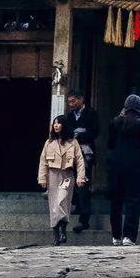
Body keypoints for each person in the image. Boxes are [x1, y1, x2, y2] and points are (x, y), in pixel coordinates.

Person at [106, 94, 140, 245]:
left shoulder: (115, 123)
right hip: (135, 166)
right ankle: (129, 236)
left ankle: (116, 235)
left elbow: (110, 144)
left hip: (116, 165)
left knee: (116, 201)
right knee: (133, 201)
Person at [37, 114, 87, 245]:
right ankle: (56, 235)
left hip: (67, 175)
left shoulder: (72, 142)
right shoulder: (49, 143)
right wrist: (42, 178)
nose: (56, 125)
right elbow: (43, 162)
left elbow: (80, 160)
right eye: (54, 123)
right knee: (53, 205)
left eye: (59, 123)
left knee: (62, 201)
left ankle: (63, 229)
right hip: (52, 175)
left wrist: (80, 177)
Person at [64, 90, 102, 232]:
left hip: (86, 153)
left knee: (83, 183)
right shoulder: (69, 117)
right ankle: (77, 205)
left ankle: (84, 218)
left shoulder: (91, 114)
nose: (71, 104)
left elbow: (94, 132)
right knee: (71, 182)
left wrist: (79, 135)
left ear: (81, 99)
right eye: (69, 102)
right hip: (70, 154)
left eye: (73, 101)